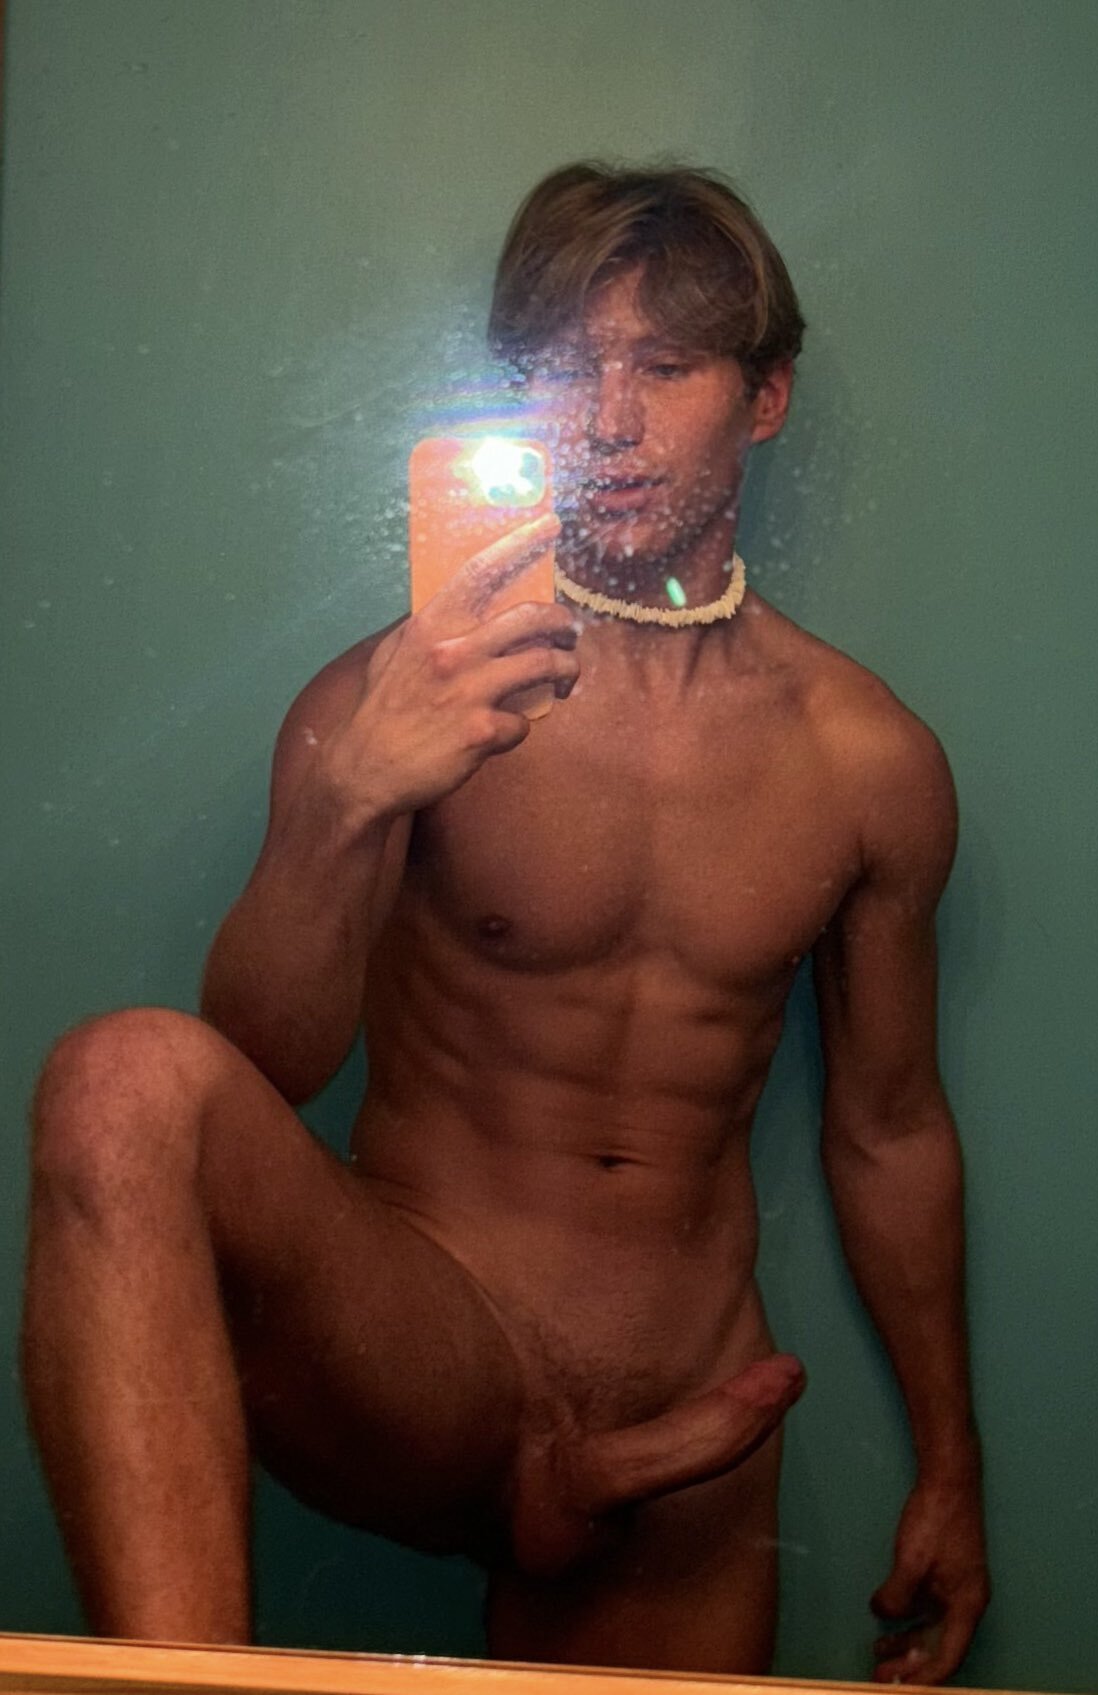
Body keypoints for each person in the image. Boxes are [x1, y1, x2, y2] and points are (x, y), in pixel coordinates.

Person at [22, 163, 987, 1683]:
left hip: (687, 1421)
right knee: (119, 1079)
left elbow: (890, 1131)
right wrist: (353, 798)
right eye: (559, 370)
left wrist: (950, 1468)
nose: (602, 421)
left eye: (663, 368)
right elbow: (261, 1061)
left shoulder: (871, 764)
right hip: (431, 1360)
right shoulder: (399, 693)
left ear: (765, 399)